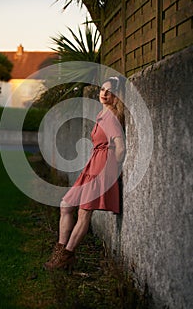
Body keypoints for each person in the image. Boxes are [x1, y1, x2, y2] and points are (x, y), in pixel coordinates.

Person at [44, 77, 125, 271]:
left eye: (109, 91)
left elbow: (120, 147)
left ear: (116, 96)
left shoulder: (111, 116)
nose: (104, 94)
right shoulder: (102, 114)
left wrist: (112, 170)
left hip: (102, 167)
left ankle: (66, 256)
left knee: (84, 212)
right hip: (92, 165)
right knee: (66, 205)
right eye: (103, 90)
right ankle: (61, 249)